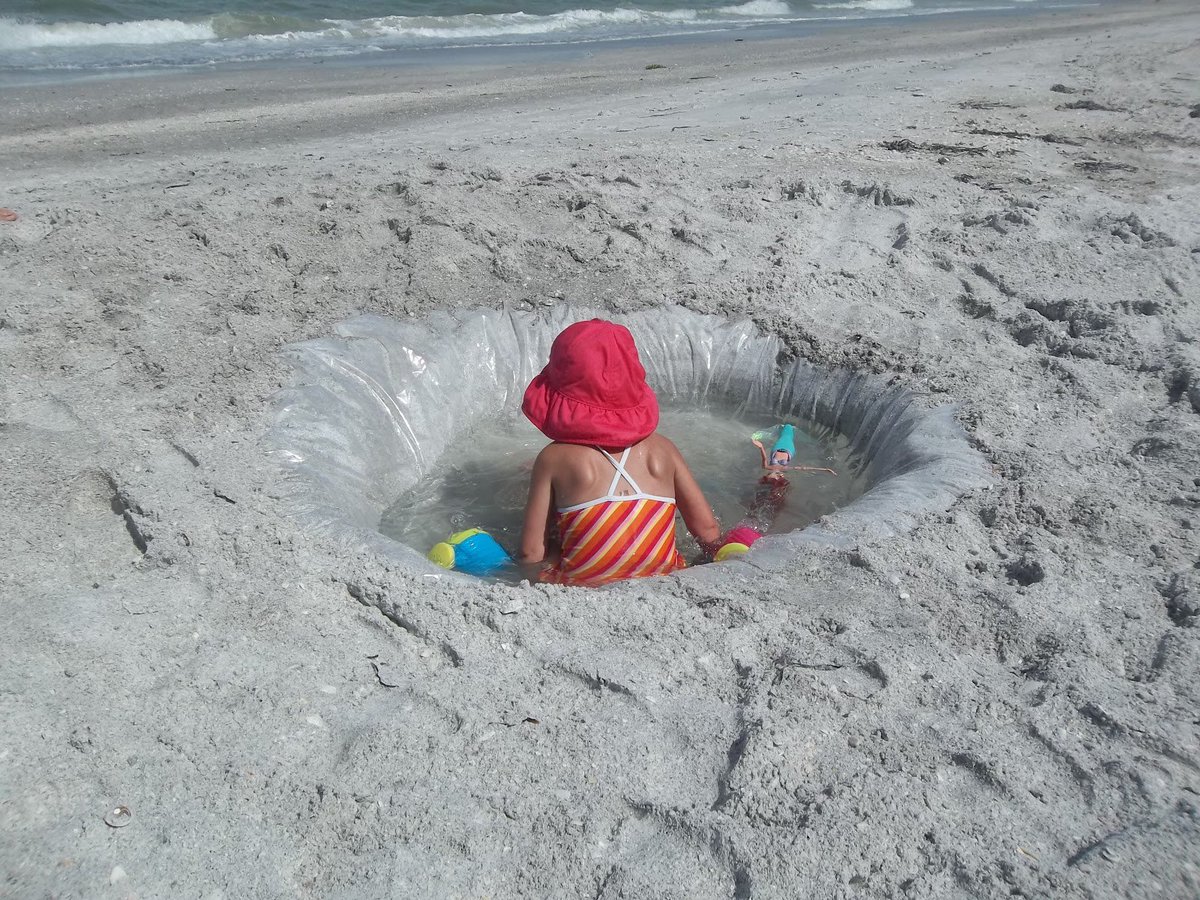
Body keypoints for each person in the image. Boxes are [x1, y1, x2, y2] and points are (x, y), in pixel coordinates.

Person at [518, 319, 720, 585]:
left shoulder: (553, 459)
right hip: (662, 576)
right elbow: (707, 531)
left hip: (582, 583)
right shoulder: (663, 450)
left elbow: (531, 551)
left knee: (553, 544)